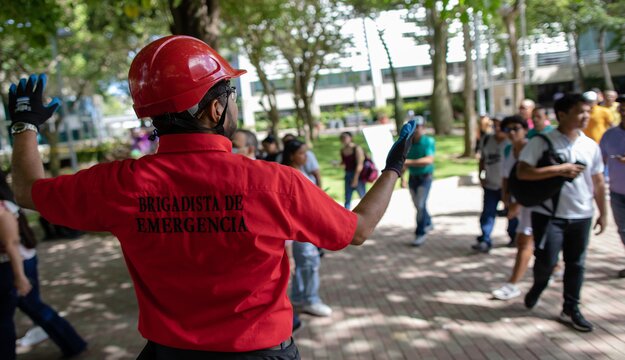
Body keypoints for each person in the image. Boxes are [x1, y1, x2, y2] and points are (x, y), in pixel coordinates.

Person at [8, 35, 417, 359]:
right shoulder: (275, 183)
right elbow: (357, 230)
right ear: (215, 109)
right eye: (230, 96)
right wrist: (392, 169)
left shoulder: (120, 184)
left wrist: (25, 124)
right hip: (259, 354)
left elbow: (26, 191)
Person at [518, 93, 607, 332]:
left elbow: (598, 181)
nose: (586, 116)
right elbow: (523, 173)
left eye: (588, 111)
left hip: (582, 215)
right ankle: (539, 285)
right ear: (562, 114)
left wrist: (603, 213)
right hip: (548, 215)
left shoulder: (590, 145)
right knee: (546, 261)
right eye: (580, 112)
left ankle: (571, 308)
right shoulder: (541, 142)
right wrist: (559, 170)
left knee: (576, 264)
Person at [0, 170, 86, 359]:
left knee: (9, 317)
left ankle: (73, 344)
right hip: (17, 264)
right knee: (31, 308)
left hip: (14, 265)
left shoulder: (3, 208)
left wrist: (19, 276)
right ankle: (73, 344)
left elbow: (11, 244)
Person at [281, 140, 332, 317]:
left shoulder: (300, 171)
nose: (306, 157)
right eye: (302, 153)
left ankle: (299, 297)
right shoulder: (291, 174)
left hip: (306, 227)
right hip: (299, 229)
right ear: (291, 155)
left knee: (305, 264)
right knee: (309, 263)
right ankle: (310, 299)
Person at [491, 116, 532, 300]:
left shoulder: (533, 148)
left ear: (525, 129)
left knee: (524, 242)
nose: (512, 133)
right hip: (519, 202)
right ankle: (554, 268)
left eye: (516, 128)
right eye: (508, 129)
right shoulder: (509, 150)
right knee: (532, 242)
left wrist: (519, 202)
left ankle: (512, 284)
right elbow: (506, 176)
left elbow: (535, 182)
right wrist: (506, 196)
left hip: (536, 204)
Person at [473, 118, 518, 253]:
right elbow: (482, 159)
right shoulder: (487, 139)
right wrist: (481, 174)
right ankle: (485, 239)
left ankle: (514, 236)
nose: (497, 129)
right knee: (488, 212)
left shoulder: (511, 142)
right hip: (491, 185)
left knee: (512, 213)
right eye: (495, 126)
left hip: (510, 186)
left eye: (500, 126)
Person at [599, 96, 625, 278]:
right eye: (621, 109)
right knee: (623, 230)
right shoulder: (610, 135)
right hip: (617, 192)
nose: (623, 112)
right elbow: (599, 162)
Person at [403, 116, 435, 247]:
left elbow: (428, 160)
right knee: (417, 205)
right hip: (413, 178)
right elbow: (403, 163)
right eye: (414, 127)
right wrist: (403, 178)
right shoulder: (408, 143)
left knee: (420, 205)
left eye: (419, 127)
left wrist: (409, 162)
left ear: (423, 127)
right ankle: (428, 221)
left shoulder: (428, 141)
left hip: (425, 177)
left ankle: (420, 232)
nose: (416, 130)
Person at [339, 131, 366, 209]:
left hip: (357, 175)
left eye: (345, 137)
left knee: (363, 196)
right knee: (347, 197)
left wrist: (355, 178)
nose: (344, 139)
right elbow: (344, 162)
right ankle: (346, 215)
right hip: (347, 174)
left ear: (350, 138)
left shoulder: (356, 148)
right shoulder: (342, 150)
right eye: (342, 138)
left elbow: (359, 164)